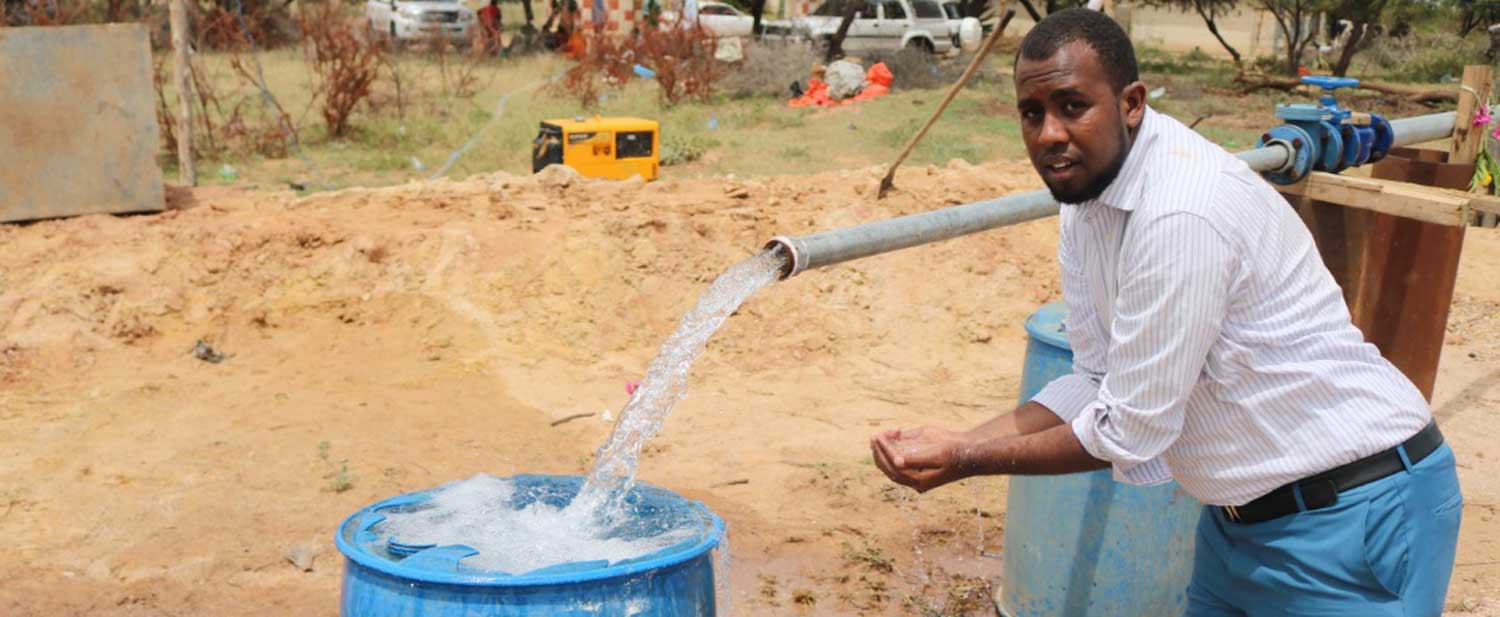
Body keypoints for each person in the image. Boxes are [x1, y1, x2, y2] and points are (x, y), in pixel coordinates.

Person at [868, 8, 1461, 616]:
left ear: (1130, 103)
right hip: (1238, 527)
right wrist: (957, 440)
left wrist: (965, 460)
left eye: (1072, 106)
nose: (1048, 133)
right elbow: (1095, 380)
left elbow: (1131, 429)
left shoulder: (1180, 212)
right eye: (1031, 112)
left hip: (1355, 516)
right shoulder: (1087, 197)